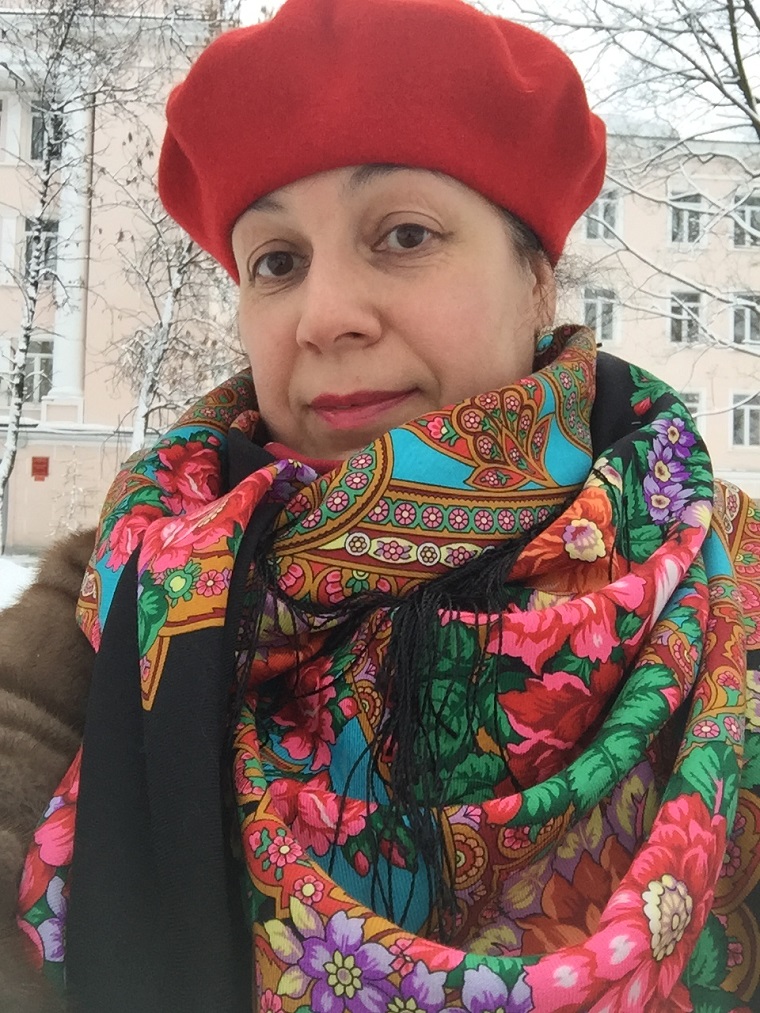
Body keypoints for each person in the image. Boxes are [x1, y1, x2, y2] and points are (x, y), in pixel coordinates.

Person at [3, 0, 760, 1009]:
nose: (324, 318)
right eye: (278, 262)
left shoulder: (727, 585)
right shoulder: (123, 596)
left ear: (538, 279)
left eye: (404, 234)